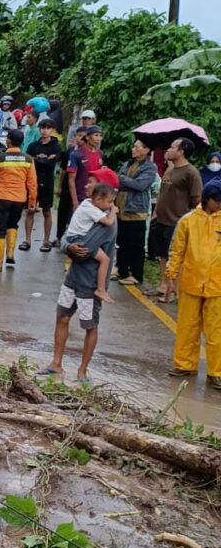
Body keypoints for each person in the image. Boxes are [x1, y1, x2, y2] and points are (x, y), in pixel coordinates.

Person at [45, 202, 118, 382]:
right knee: (62, 316)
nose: (87, 185)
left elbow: (83, 248)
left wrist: (68, 246)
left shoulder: (107, 221)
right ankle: (55, 364)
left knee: (90, 326)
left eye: (92, 182)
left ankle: (82, 371)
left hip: (90, 283)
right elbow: (67, 238)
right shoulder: (87, 209)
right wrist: (68, 245)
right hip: (73, 278)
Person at [164, 181, 221, 387]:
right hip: (191, 281)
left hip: (217, 285)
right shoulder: (188, 221)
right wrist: (171, 275)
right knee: (187, 326)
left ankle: (217, 372)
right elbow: (177, 249)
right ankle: (184, 365)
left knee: (217, 330)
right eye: (218, 201)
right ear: (208, 200)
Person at [149, 138, 203, 303]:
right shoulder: (170, 170)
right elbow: (162, 194)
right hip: (161, 219)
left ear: (181, 151)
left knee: (176, 258)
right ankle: (164, 285)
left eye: (172, 147)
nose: (169, 150)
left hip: (177, 221)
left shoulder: (191, 172)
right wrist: (156, 213)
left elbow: (196, 199)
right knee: (162, 255)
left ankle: (175, 290)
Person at [0, 127, 37, 271]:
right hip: (19, 199)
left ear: (8, 141)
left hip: (2, 197)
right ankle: (10, 254)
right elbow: (32, 183)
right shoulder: (28, 160)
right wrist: (32, 202)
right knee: (12, 225)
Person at [63, 179, 118, 304]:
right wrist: (113, 211)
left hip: (74, 237)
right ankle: (101, 289)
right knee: (105, 260)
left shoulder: (86, 203)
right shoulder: (94, 210)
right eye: (110, 202)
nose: (111, 205)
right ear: (98, 199)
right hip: (79, 240)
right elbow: (109, 222)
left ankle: (101, 289)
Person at [115, 138, 156, 286]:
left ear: (146, 150)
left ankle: (137, 274)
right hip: (121, 208)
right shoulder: (128, 163)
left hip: (136, 210)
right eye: (133, 146)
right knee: (122, 242)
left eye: (137, 147)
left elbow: (140, 185)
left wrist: (123, 180)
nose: (133, 149)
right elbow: (117, 181)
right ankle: (122, 270)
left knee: (136, 244)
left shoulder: (150, 168)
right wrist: (124, 181)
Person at [21, 117, 60, 252]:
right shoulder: (34, 145)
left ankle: (46, 240)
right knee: (30, 210)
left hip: (47, 181)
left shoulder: (55, 145)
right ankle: (27, 239)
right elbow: (27, 162)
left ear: (52, 130)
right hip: (33, 181)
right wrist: (42, 160)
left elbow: (51, 164)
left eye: (48, 128)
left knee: (47, 211)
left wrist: (36, 160)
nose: (45, 131)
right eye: (43, 128)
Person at [55, 126, 90, 245]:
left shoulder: (89, 153)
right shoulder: (70, 151)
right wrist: (60, 186)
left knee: (76, 214)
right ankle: (59, 237)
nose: (82, 139)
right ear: (75, 137)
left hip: (80, 187)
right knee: (63, 212)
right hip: (67, 187)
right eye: (79, 136)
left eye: (84, 136)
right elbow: (64, 170)